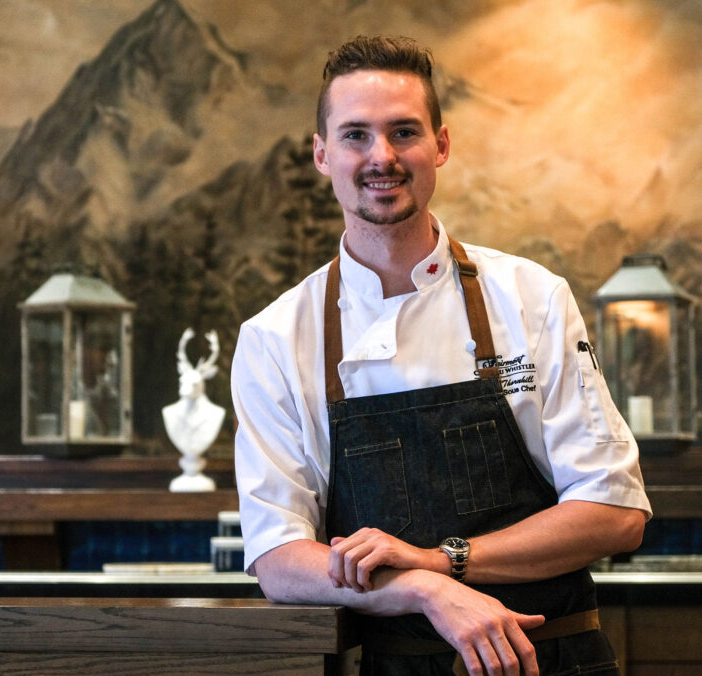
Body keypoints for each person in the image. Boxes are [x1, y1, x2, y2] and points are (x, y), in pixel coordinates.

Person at [231, 35, 651, 676]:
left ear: (441, 145)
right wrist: (427, 590)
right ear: (322, 154)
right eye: (355, 136)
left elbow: (615, 513)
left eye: (404, 132)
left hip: (550, 658)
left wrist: (441, 558)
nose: (382, 157)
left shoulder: (530, 297)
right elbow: (279, 559)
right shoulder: (275, 338)